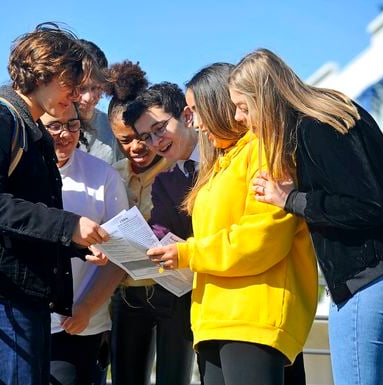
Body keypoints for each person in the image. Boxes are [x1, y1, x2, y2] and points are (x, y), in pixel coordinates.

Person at [231, 48, 383, 385]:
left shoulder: (315, 127)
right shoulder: (333, 110)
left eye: (243, 107)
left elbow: (364, 205)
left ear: (266, 99)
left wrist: (290, 198)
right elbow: (355, 184)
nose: (238, 118)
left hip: (370, 282)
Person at [134, 64, 319, 385]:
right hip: (213, 318)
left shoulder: (264, 151)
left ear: (220, 104)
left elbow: (262, 239)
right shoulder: (217, 165)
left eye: (195, 111)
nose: (197, 122)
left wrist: (188, 254)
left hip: (254, 315)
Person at [0, 23, 109, 385]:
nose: (76, 94)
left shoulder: (29, 128)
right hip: (3, 297)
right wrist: (69, 227)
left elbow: (24, 220)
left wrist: (76, 246)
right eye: (70, 82)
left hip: (27, 297)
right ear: (43, 73)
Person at [104, 63, 193, 385]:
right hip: (127, 295)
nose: (136, 148)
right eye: (124, 140)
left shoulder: (180, 169)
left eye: (142, 137)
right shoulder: (112, 175)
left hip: (175, 291)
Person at [40, 103, 128, 385]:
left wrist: (87, 308)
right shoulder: (17, 173)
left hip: (80, 327)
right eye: (54, 125)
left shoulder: (104, 177)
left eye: (72, 125)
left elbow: (119, 256)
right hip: (28, 323)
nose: (64, 134)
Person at [76, 39, 124, 164]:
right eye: (81, 88)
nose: (88, 97)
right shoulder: (47, 125)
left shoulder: (113, 129)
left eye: (96, 88)